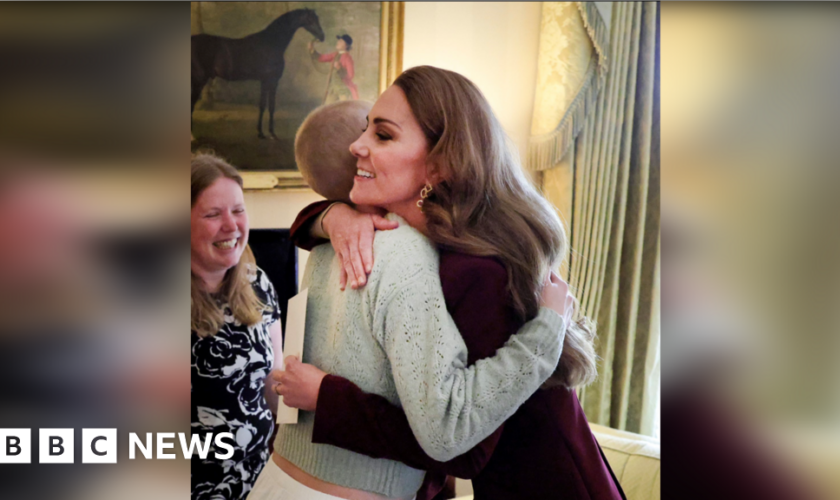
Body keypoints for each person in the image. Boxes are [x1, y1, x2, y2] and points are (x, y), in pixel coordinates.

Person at [278, 66, 626, 499]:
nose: (356, 146)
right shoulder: (418, 244)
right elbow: (300, 227)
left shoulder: (475, 270)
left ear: (439, 166)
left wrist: (327, 398)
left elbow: (461, 450)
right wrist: (331, 217)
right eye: (365, 129)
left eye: (382, 135)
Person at [191, 153, 284, 500]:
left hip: (257, 481)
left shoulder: (257, 282)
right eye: (213, 214)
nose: (231, 226)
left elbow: (273, 380)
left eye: (238, 210)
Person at [309, 34, 359, 102]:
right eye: (339, 40)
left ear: (346, 45)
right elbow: (322, 58)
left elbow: (351, 75)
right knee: (327, 109)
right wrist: (312, 50)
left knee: (344, 109)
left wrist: (340, 68)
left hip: (343, 89)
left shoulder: (348, 58)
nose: (338, 42)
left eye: (341, 41)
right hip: (333, 89)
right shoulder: (335, 54)